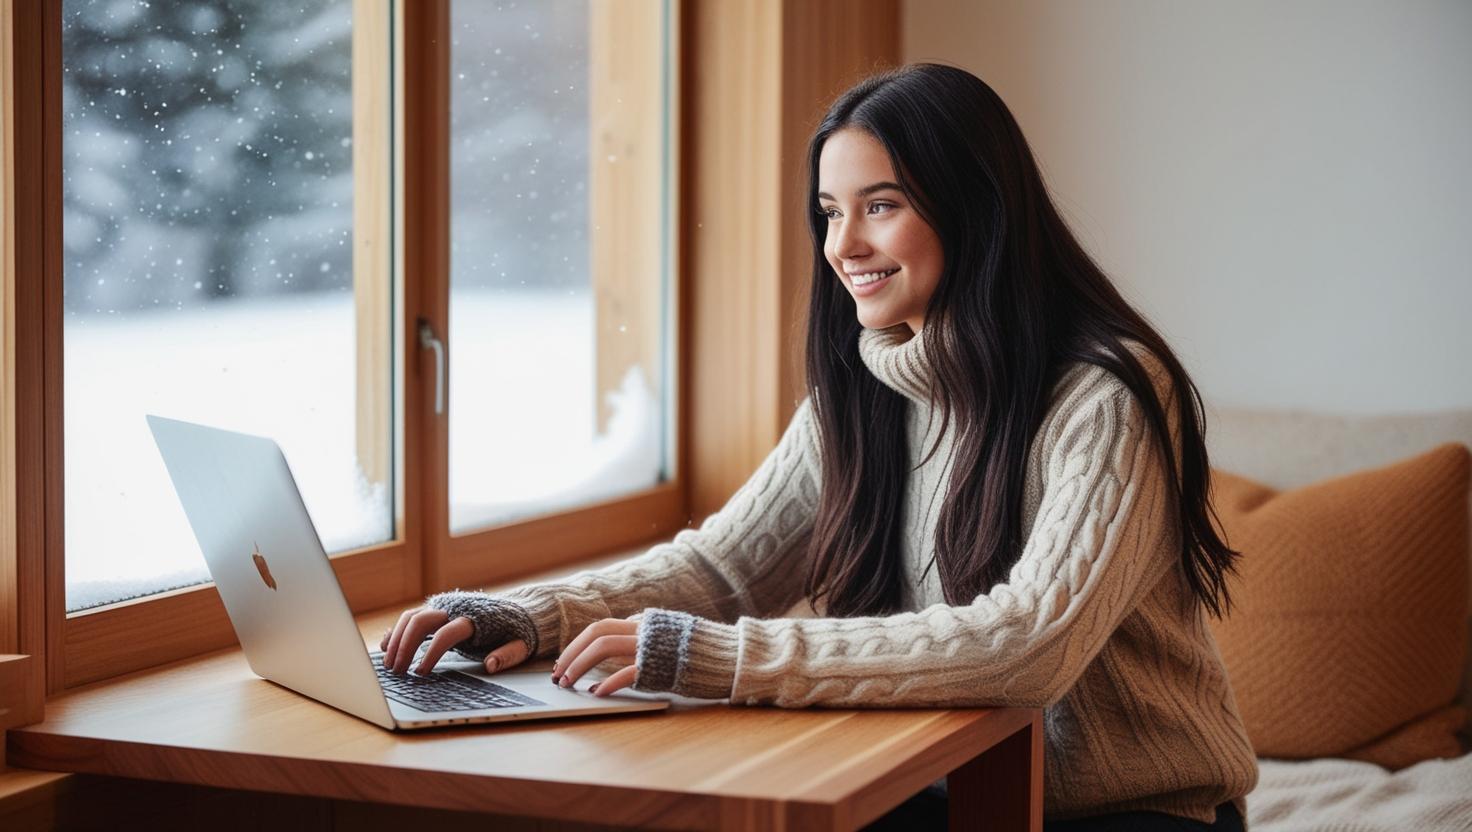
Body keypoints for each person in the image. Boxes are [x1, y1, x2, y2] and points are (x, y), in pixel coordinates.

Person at [380, 63, 1257, 831]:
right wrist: (531, 614)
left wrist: (723, 658)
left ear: (977, 212)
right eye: (830, 212)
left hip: (1137, 810)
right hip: (943, 788)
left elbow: (1027, 643)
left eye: (882, 206)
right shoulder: (864, 383)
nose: (844, 246)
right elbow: (723, 572)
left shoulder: (1109, 395)